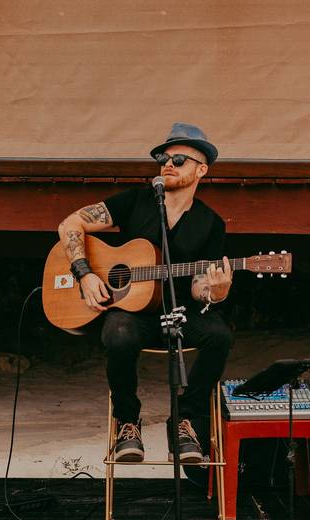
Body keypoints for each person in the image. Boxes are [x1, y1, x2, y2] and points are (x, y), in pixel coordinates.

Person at [57, 123, 233, 464]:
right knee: (118, 333)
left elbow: (199, 285)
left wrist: (216, 292)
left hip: (179, 313)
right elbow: (70, 225)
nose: (168, 163)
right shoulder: (135, 201)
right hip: (133, 313)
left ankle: (184, 421)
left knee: (220, 336)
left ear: (201, 169)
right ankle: (127, 421)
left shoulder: (211, 223)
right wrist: (85, 274)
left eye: (179, 159)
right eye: (163, 158)